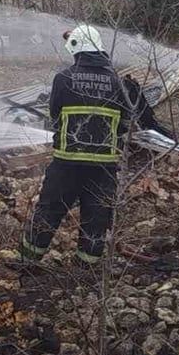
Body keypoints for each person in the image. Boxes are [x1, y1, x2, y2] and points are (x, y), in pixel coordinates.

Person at [20, 24, 133, 266]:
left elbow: (54, 115)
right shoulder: (117, 82)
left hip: (67, 163)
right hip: (104, 167)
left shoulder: (63, 79)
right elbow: (125, 122)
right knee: (97, 217)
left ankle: (27, 262)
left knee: (49, 210)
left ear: (76, 48)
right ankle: (87, 269)